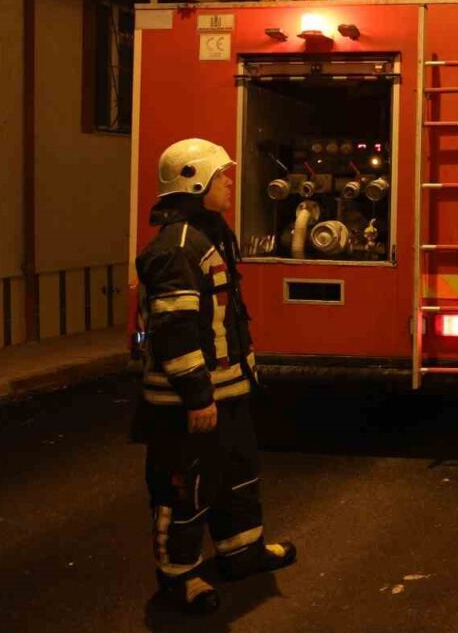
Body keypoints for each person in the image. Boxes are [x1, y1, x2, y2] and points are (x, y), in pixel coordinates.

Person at [134, 138, 296, 615]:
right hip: (189, 406)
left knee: (235, 476)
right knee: (184, 490)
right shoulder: (178, 248)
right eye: (220, 176)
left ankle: (241, 552)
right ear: (196, 182)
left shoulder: (205, 236)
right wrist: (197, 396)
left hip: (227, 394)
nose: (229, 182)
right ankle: (179, 578)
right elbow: (175, 331)